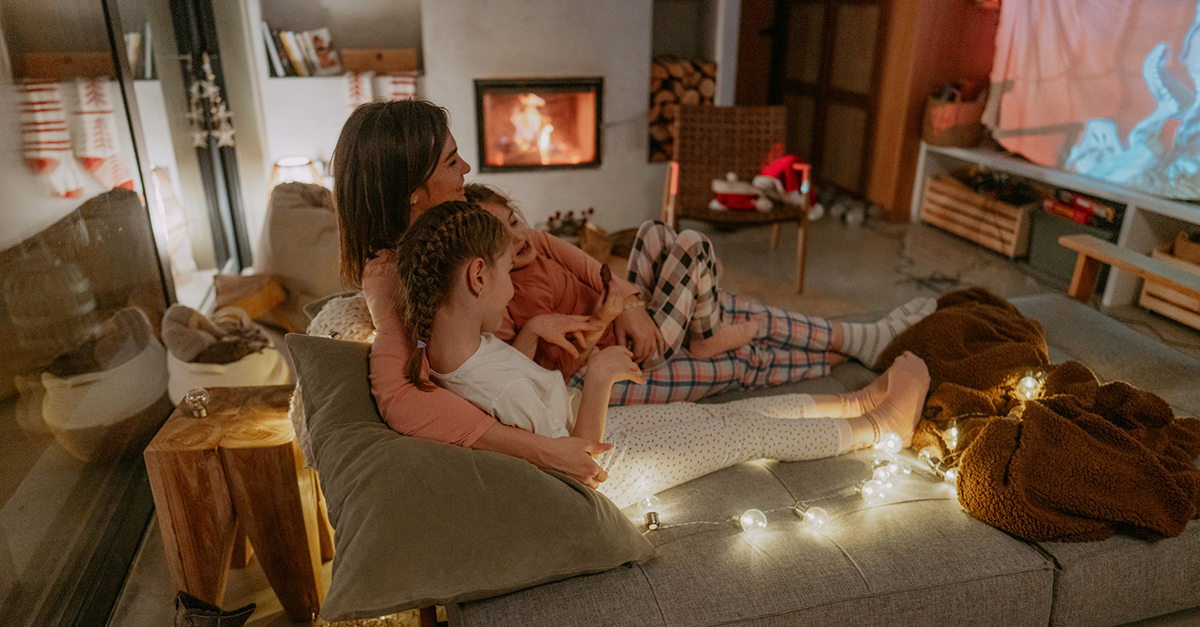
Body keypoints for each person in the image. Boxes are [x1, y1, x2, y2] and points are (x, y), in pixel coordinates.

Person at [392, 200, 932, 508]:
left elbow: (530, 396)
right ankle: (882, 427)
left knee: (718, 415)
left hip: (593, 427)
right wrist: (600, 376)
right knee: (743, 434)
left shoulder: (452, 350)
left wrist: (536, 335)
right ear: (478, 276)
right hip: (612, 467)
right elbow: (580, 467)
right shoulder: (492, 383)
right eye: (508, 274)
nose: (513, 288)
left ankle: (854, 401)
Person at [333, 99, 612, 487]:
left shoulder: (448, 230)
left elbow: (534, 241)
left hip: (548, 367)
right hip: (549, 391)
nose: (466, 168)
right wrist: (546, 450)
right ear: (412, 192)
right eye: (451, 162)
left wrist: (621, 297)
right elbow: (399, 396)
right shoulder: (389, 276)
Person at [464, 183, 936, 405]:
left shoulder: (542, 241)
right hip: (632, 354)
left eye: (514, 221)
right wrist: (611, 319)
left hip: (629, 322)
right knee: (692, 244)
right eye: (502, 238)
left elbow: (598, 272)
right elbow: (563, 364)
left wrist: (627, 303)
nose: (517, 237)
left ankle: (710, 320)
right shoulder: (515, 295)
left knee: (652, 231)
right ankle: (706, 334)